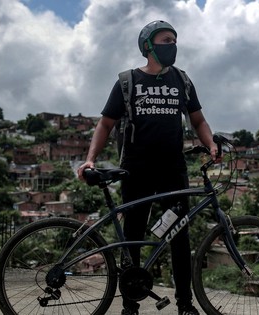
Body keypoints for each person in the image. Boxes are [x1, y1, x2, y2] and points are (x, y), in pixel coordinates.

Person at [78, 20, 216, 315]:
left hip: (173, 170)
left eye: (175, 40)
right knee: (133, 237)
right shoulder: (128, 82)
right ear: (148, 46)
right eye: (166, 40)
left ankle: (185, 305)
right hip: (136, 169)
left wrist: (211, 144)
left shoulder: (182, 80)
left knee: (179, 237)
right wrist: (90, 158)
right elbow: (105, 124)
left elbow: (198, 120)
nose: (173, 45)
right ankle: (130, 306)